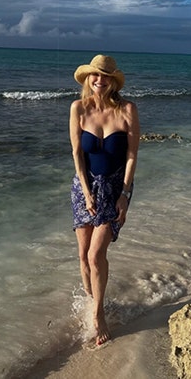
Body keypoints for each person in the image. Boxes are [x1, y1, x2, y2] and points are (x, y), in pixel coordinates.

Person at [69, 54, 139, 347]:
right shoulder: (78, 108)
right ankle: (92, 301)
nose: (99, 80)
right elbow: (77, 154)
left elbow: (132, 155)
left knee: (96, 255)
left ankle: (98, 315)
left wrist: (124, 194)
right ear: (88, 78)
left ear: (113, 81)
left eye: (105, 76)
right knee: (83, 255)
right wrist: (86, 192)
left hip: (114, 189)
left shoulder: (127, 109)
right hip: (83, 187)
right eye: (95, 75)